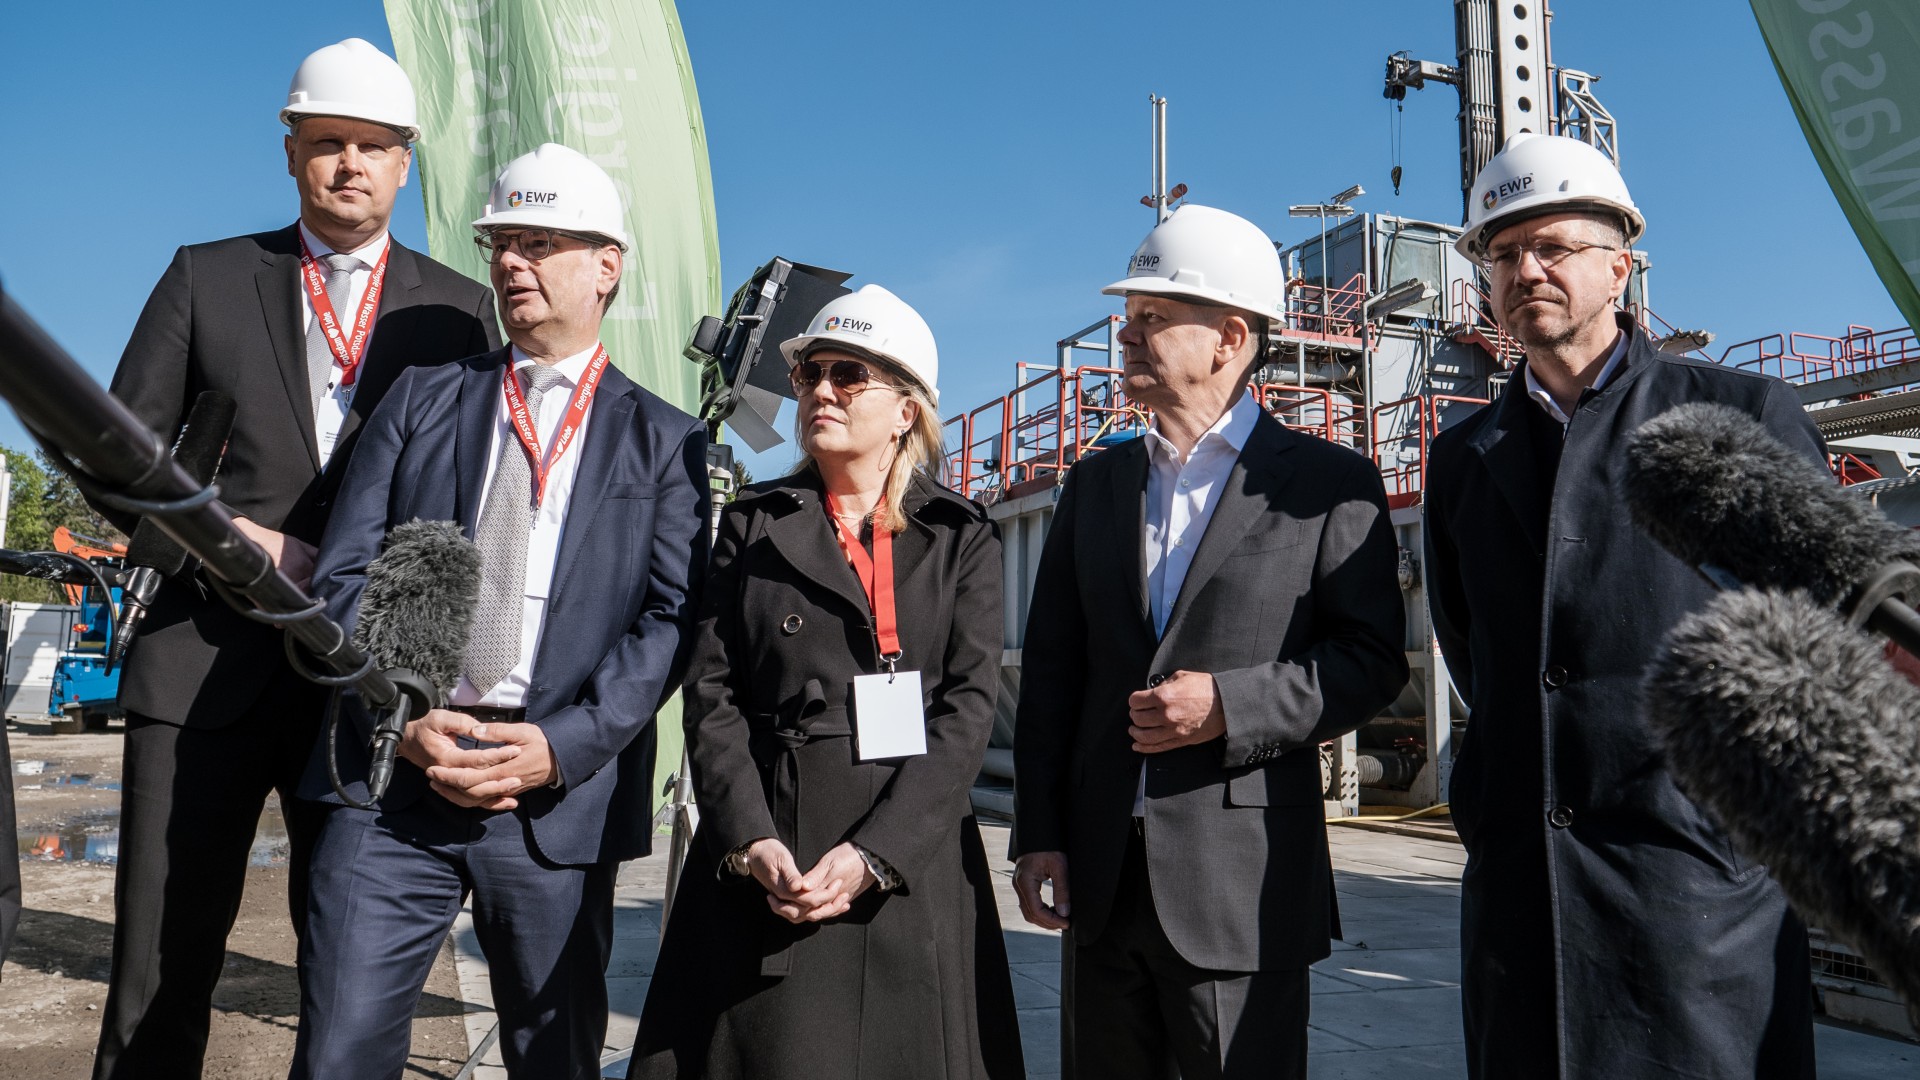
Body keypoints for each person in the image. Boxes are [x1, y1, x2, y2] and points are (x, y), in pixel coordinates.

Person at [91, 38, 498, 1078]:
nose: (349, 163)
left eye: (372, 145)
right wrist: (243, 541)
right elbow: (114, 461)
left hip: (360, 694)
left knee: (351, 986)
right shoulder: (207, 278)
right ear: (289, 150)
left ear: (407, 160)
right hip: (200, 676)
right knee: (158, 972)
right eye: (326, 142)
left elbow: (474, 499)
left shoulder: (458, 313)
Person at [288, 142, 708, 1078]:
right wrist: (400, 715)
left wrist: (567, 743)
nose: (512, 262)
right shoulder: (422, 400)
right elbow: (342, 577)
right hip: (392, 779)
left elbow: (672, 620)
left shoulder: (667, 442)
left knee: (551, 1055)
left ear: (608, 265)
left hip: (551, 801)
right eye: (502, 244)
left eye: (540, 242)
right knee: (338, 1049)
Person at [1424, 133, 1823, 1079]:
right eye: (1502, 254)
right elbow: (1473, 654)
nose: (1527, 270)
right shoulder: (1462, 460)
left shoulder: (1742, 418)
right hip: (1525, 902)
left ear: (1621, 265)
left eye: (1554, 246)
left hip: (1697, 899)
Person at [1011, 205, 1410, 1080]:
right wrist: (1038, 831)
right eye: (1130, 317)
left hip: (1242, 890)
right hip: (1104, 884)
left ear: (1231, 337)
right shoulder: (1096, 484)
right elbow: (1053, 673)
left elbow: (1370, 659)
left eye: (1152, 318)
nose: (1127, 335)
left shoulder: (1329, 486)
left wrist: (1229, 706)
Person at [630, 285, 1024, 1079]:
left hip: (905, 855)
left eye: (848, 375)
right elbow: (713, 693)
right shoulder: (753, 521)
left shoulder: (960, 535)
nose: (819, 392)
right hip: (774, 850)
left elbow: (967, 708)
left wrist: (876, 854)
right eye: (810, 373)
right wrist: (749, 838)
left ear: (906, 410)